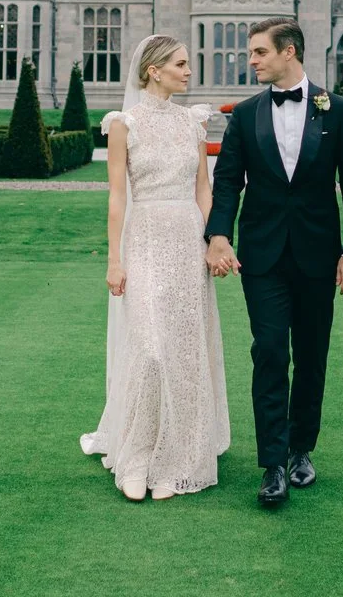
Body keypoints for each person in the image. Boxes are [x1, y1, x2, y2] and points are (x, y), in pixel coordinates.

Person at [205, 16, 343, 509]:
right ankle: (272, 463)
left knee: (312, 355)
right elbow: (228, 181)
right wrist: (217, 235)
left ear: (289, 51)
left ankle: (302, 451)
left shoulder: (336, 110)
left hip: (321, 256)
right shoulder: (246, 114)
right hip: (263, 256)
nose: (250, 60)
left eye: (258, 52)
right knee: (271, 351)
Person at [79, 34, 230, 500]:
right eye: (181, 64)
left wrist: (215, 243)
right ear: (153, 70)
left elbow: (204, 190)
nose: (188, 71)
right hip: (143, 239)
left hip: (187, 241)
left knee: (184, 352)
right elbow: (117, 196)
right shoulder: (124, 123)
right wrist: (114, 259)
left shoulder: (193, 123)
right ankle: (137, 457)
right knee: (148, 350)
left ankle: (177, 459)